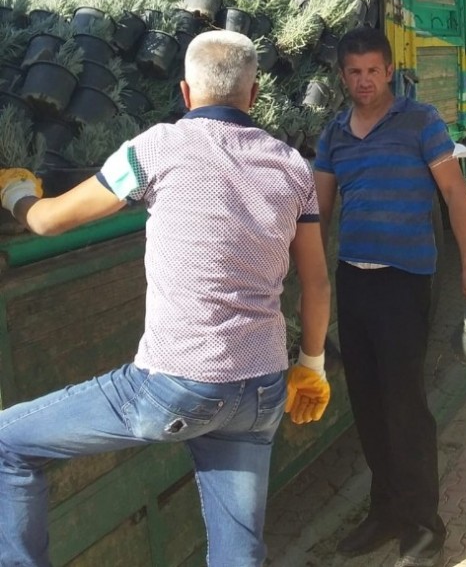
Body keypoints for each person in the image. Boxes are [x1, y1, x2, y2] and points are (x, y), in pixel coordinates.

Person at [0, 30, 331, 567]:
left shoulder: (158, 147)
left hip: (177, 387)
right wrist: (311, 365)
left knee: (8, 443)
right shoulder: (293, 166)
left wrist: (15, 193)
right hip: (262, 391)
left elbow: (47, 219)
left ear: (184, 91)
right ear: (252, 95)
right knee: (238, 551)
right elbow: (316, 283)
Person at [314, 28, 466, 567]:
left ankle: (424, 524)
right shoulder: (335, 135)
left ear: (389, 71)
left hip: (406, 280)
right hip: (355, 280)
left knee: (404, 404)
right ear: (342, 76)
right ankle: (386, 510)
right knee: (367, 402)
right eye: (354, 72)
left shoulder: (421, 121)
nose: (364, 80)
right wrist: (309, 281)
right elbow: (319, 215)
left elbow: (455, 197)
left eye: (373, 70)